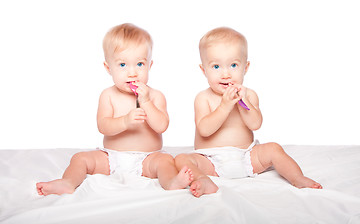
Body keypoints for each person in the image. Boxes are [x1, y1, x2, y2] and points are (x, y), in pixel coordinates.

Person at [36, 23, 193, 196]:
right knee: (80, 158)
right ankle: (68, 182)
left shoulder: (155, 96)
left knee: (165, 161)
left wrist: (146, 101)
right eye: (123, 65)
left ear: (150, 65)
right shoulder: (108, 95)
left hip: (147, 158)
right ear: (108, 68)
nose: (132, 72)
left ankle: (171, 182)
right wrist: (125, 121)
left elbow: (161, 126)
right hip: (111, 157)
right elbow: (103, 126)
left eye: (140, 64)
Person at [175, 27, 322, 198]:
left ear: (245, 67)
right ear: (203, 70)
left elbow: (255, 124)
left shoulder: (249, 94)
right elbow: (205, 130)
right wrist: (225, 106)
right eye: (216, 66)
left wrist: (243, 102)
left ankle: (298, 178)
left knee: (274, 148)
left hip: (246, 157)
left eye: (233, 65)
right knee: (181, 159)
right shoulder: (203, 98)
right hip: (211, 160)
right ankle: (203, 180)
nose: (225, 74)